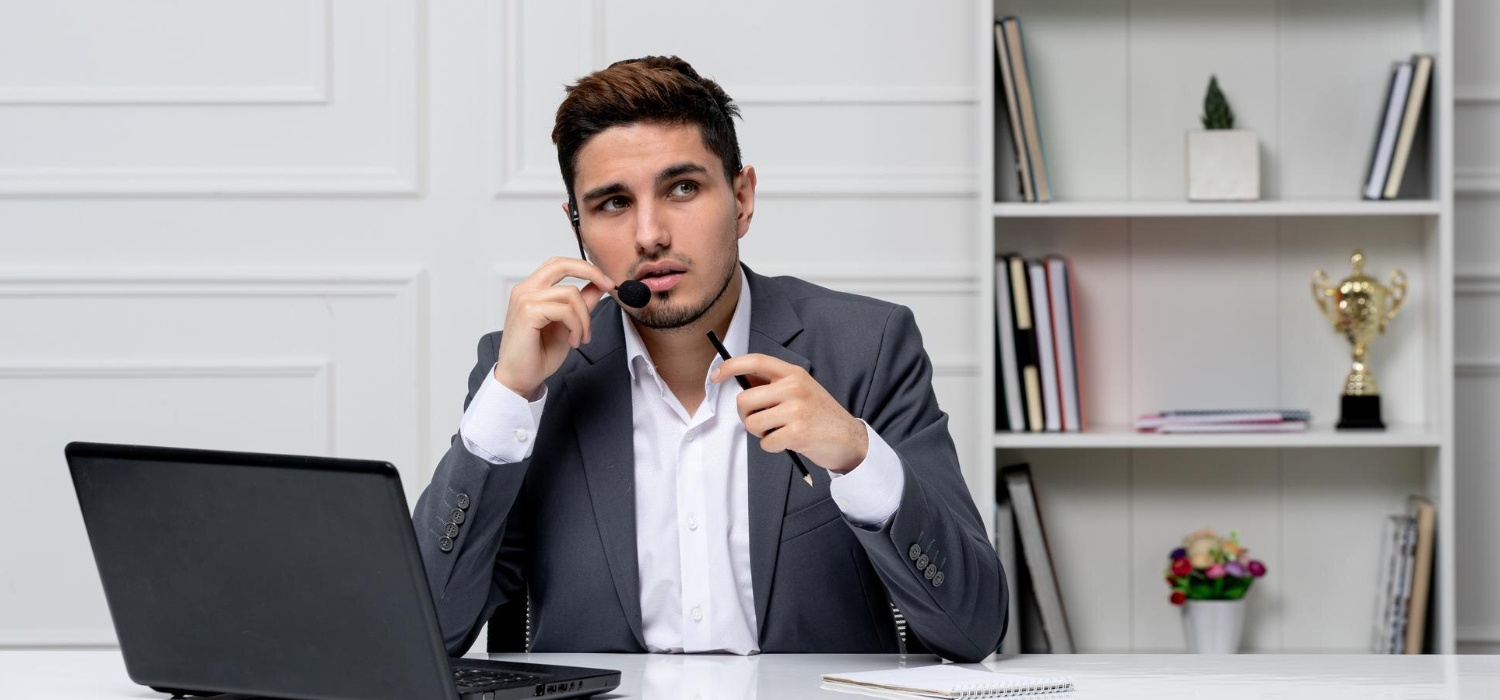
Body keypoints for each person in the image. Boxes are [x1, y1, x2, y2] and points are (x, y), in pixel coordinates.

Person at [413, 55, 1005, 663]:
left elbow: (973, 628)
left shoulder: (867, 347)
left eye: (683, 189)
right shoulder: (529, 376)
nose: (650, 235)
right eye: (613, 203)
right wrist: (508, 397)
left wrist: (858, 456)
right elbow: (421, 635)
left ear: (742, 200)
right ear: (578, 227)